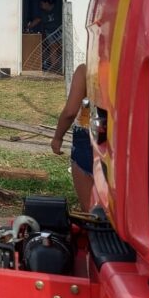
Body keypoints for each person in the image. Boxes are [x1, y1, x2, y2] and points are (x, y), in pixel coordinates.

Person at [51, 63, 94, 211]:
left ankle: (93, 231)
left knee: (90, 210)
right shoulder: (130, 66)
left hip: (89, 134)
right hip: (122, 136)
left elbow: (70, 111)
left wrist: (58, 137)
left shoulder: (86, 70)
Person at [27, 0, 62, 73]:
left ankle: (64, 66)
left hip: (60, 31)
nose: (40, 6)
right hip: (50, 33)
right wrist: (28, 27)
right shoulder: (42, 13)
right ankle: (54, 67)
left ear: (47, 3)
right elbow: (37, 20)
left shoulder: (58, 9)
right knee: (53, 49)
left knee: (62, 48)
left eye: (42, 4)